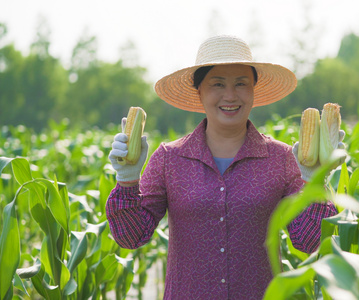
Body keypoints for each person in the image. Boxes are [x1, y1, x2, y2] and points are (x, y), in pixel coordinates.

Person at [106, 35, 344, 299]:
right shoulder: (168, 159)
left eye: (241, 84)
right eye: (217, 84)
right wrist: (127, 179)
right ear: (200, 93)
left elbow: (310, 242)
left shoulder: (282, 159)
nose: (230, 96)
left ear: (253, 90)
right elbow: (131, 236)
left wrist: (316, 181)